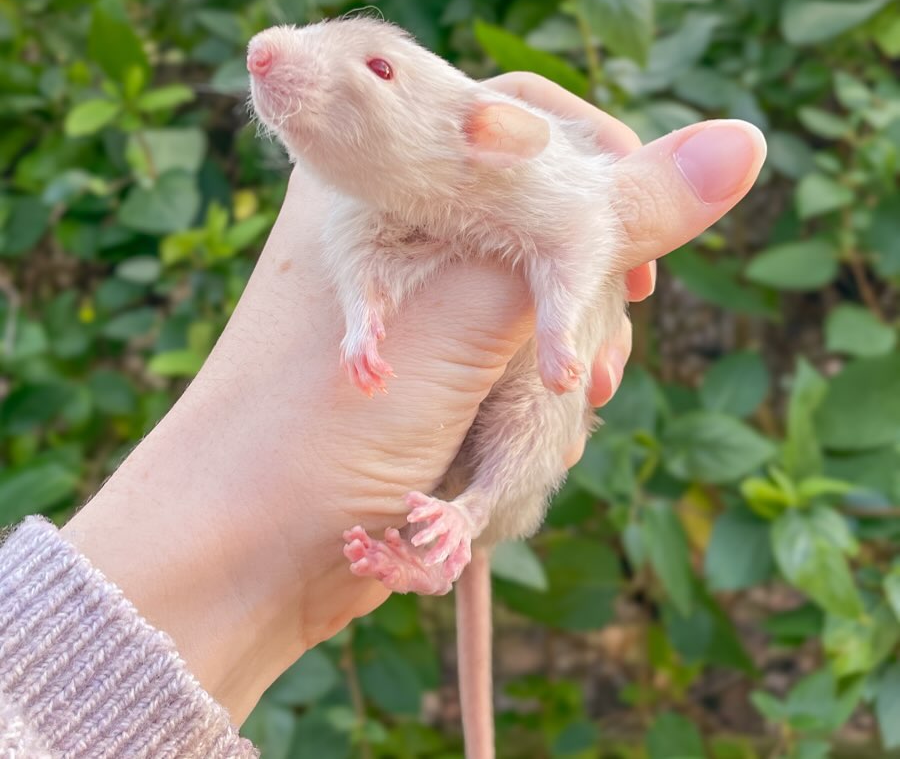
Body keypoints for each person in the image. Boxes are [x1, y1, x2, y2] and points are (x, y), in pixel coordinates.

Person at [0, 73, 766, 757]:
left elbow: (577, 232)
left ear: (480, 132)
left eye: (378, 66)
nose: (265, 56)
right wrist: (365, 323)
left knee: (542, 409)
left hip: (510, 406)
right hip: (416, 446)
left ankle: (468, 515)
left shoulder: (514, 165)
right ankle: (445, 533)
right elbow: (367, 256)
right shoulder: (373, 200)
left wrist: (560, 328)